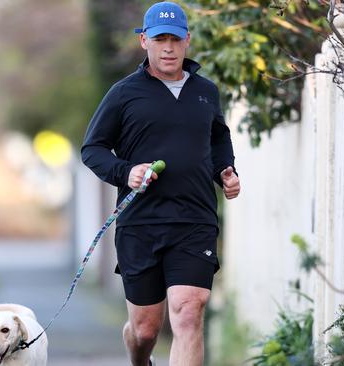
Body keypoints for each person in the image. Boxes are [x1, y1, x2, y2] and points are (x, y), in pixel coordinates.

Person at [81, 2, 240, 365]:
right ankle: (139, 357)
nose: (168, 47)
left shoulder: (206, 92)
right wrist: (127, 172)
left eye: (174, 39)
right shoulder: (124, 94)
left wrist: (226, 171)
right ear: (143, 41)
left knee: (188, 313)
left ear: (187, 40)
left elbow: (218, 138)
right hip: (141, 225)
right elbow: (93, 149)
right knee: (146, 330)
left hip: (194, 220)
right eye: (159, 39)